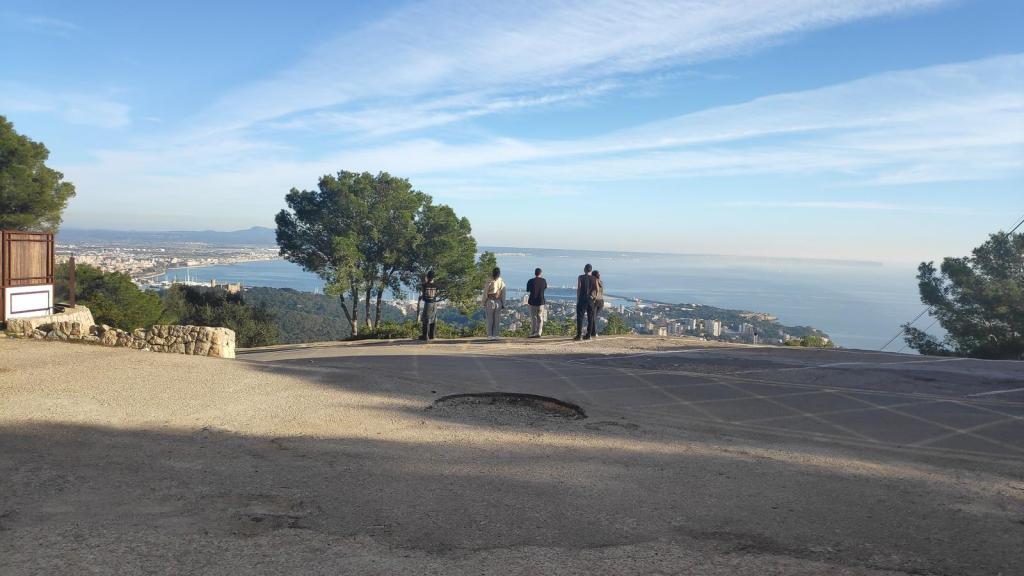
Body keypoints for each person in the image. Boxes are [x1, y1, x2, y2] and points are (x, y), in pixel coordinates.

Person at [574, 263, 598, 340]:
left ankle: (579, 335)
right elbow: (597, 289)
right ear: (591, 270)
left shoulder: (580, 277)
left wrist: (578, 299)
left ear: (584, 269)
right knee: (590, 318)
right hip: (590, 299)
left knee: (580, 317)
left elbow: (579, 289)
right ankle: (588, 335)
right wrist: (594, 297)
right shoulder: (594, 278)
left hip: (582, 299)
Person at [482, 267, 506, 340]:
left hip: (490, 300)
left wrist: (483, 302)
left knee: (490, 319)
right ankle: (496, 335)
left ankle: (490, 335)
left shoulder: (489, 281)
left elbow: (485, 292)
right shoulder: (501, 281)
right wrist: (503, 303)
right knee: (497, 319)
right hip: (498, 301)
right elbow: (504, 293)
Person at [526, 267, 547, 338]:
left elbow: (528, 290)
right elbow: (545, 288)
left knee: (533, 318)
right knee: (540, 317)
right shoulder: (544, 281)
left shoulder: (530, 281)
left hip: (532, 301)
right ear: (541, 273)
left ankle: (533, 332)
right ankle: (539, 332)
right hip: (541, 301)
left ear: (535, 273)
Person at [419, 270, 439, 341]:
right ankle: (432, 335)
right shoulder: (436, 285)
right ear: (434, 277)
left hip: (428, 303)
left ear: (428, 276)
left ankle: (425, 336)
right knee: (433, 319)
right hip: (434, 303)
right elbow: (436, 294)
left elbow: (423, 294)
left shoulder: (424, 285)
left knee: (426, 319)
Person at [591, 270, 604, 339]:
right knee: (594, 317)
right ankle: (593, 332)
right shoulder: (601, 282)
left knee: (593, 317)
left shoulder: (593, 283)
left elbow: (593, 293)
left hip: (596, 301)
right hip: (601, 301)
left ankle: (594, 333)